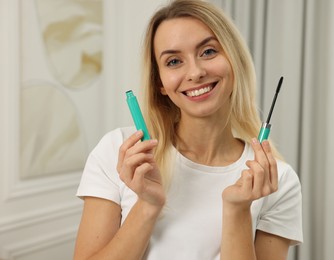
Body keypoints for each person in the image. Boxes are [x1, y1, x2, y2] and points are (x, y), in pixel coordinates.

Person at [74, 0, 303, 259]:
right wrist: (148, 207)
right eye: (173, 61)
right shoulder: (121, 152)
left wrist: (238, 210)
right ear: (159, 82)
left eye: (208, 52)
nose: (195, 73)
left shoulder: (277, 182)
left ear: (234, 60)